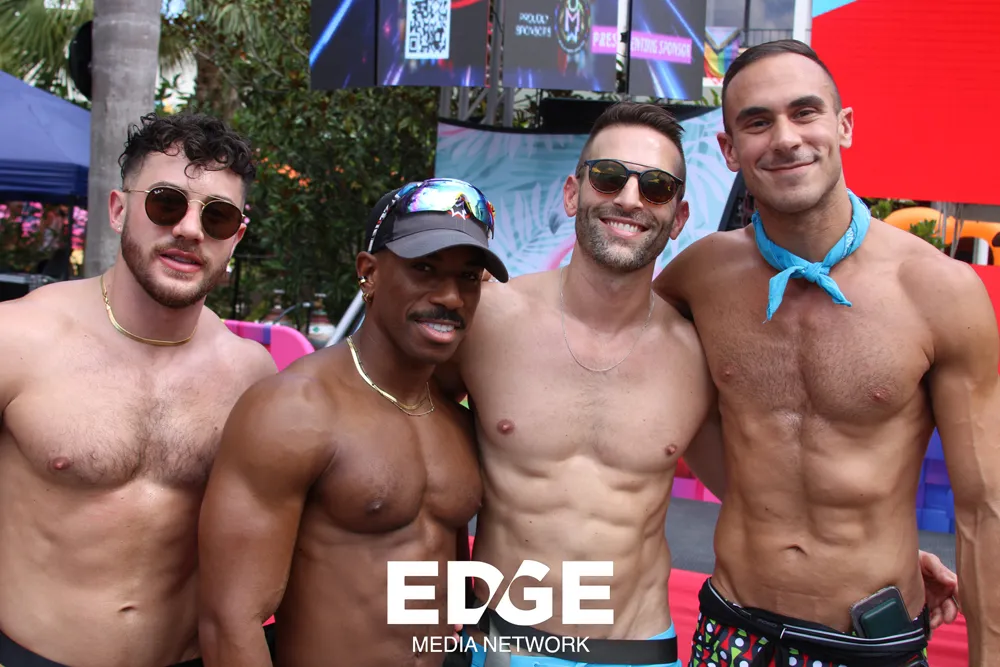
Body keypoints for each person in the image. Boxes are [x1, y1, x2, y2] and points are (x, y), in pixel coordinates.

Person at [441, 101, 962, 667]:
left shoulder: (696, 354)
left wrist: (876, 561)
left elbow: (769, 492)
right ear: (573, 193)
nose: (630, 199)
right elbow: (407, 433)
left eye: (656, 188)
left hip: (639, 651)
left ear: (679, 218)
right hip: (500, 644)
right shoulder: (486, 319)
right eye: (609, 177)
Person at [652, 40, 998, 667]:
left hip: (871, 645)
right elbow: (620, 358)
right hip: (732, 631)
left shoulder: (938, 291)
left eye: (805, 112)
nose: (785, 138)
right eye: (758, 122)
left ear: (844, 126)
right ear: (729, 149)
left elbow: (985, 508)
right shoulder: (698, 278)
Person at [0, 112, 278, 667]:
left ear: (236, 237)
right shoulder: (18, 338)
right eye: (166, 203)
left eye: (217, 216)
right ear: (118, 209)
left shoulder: (251, 374)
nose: (190, 230)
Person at [196, 178, 510, 667]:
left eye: (468, 277)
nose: (451, 296)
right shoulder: (294, 409)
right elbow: (230, 622)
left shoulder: (454, 417)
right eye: (424, 268)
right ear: (369, 273)